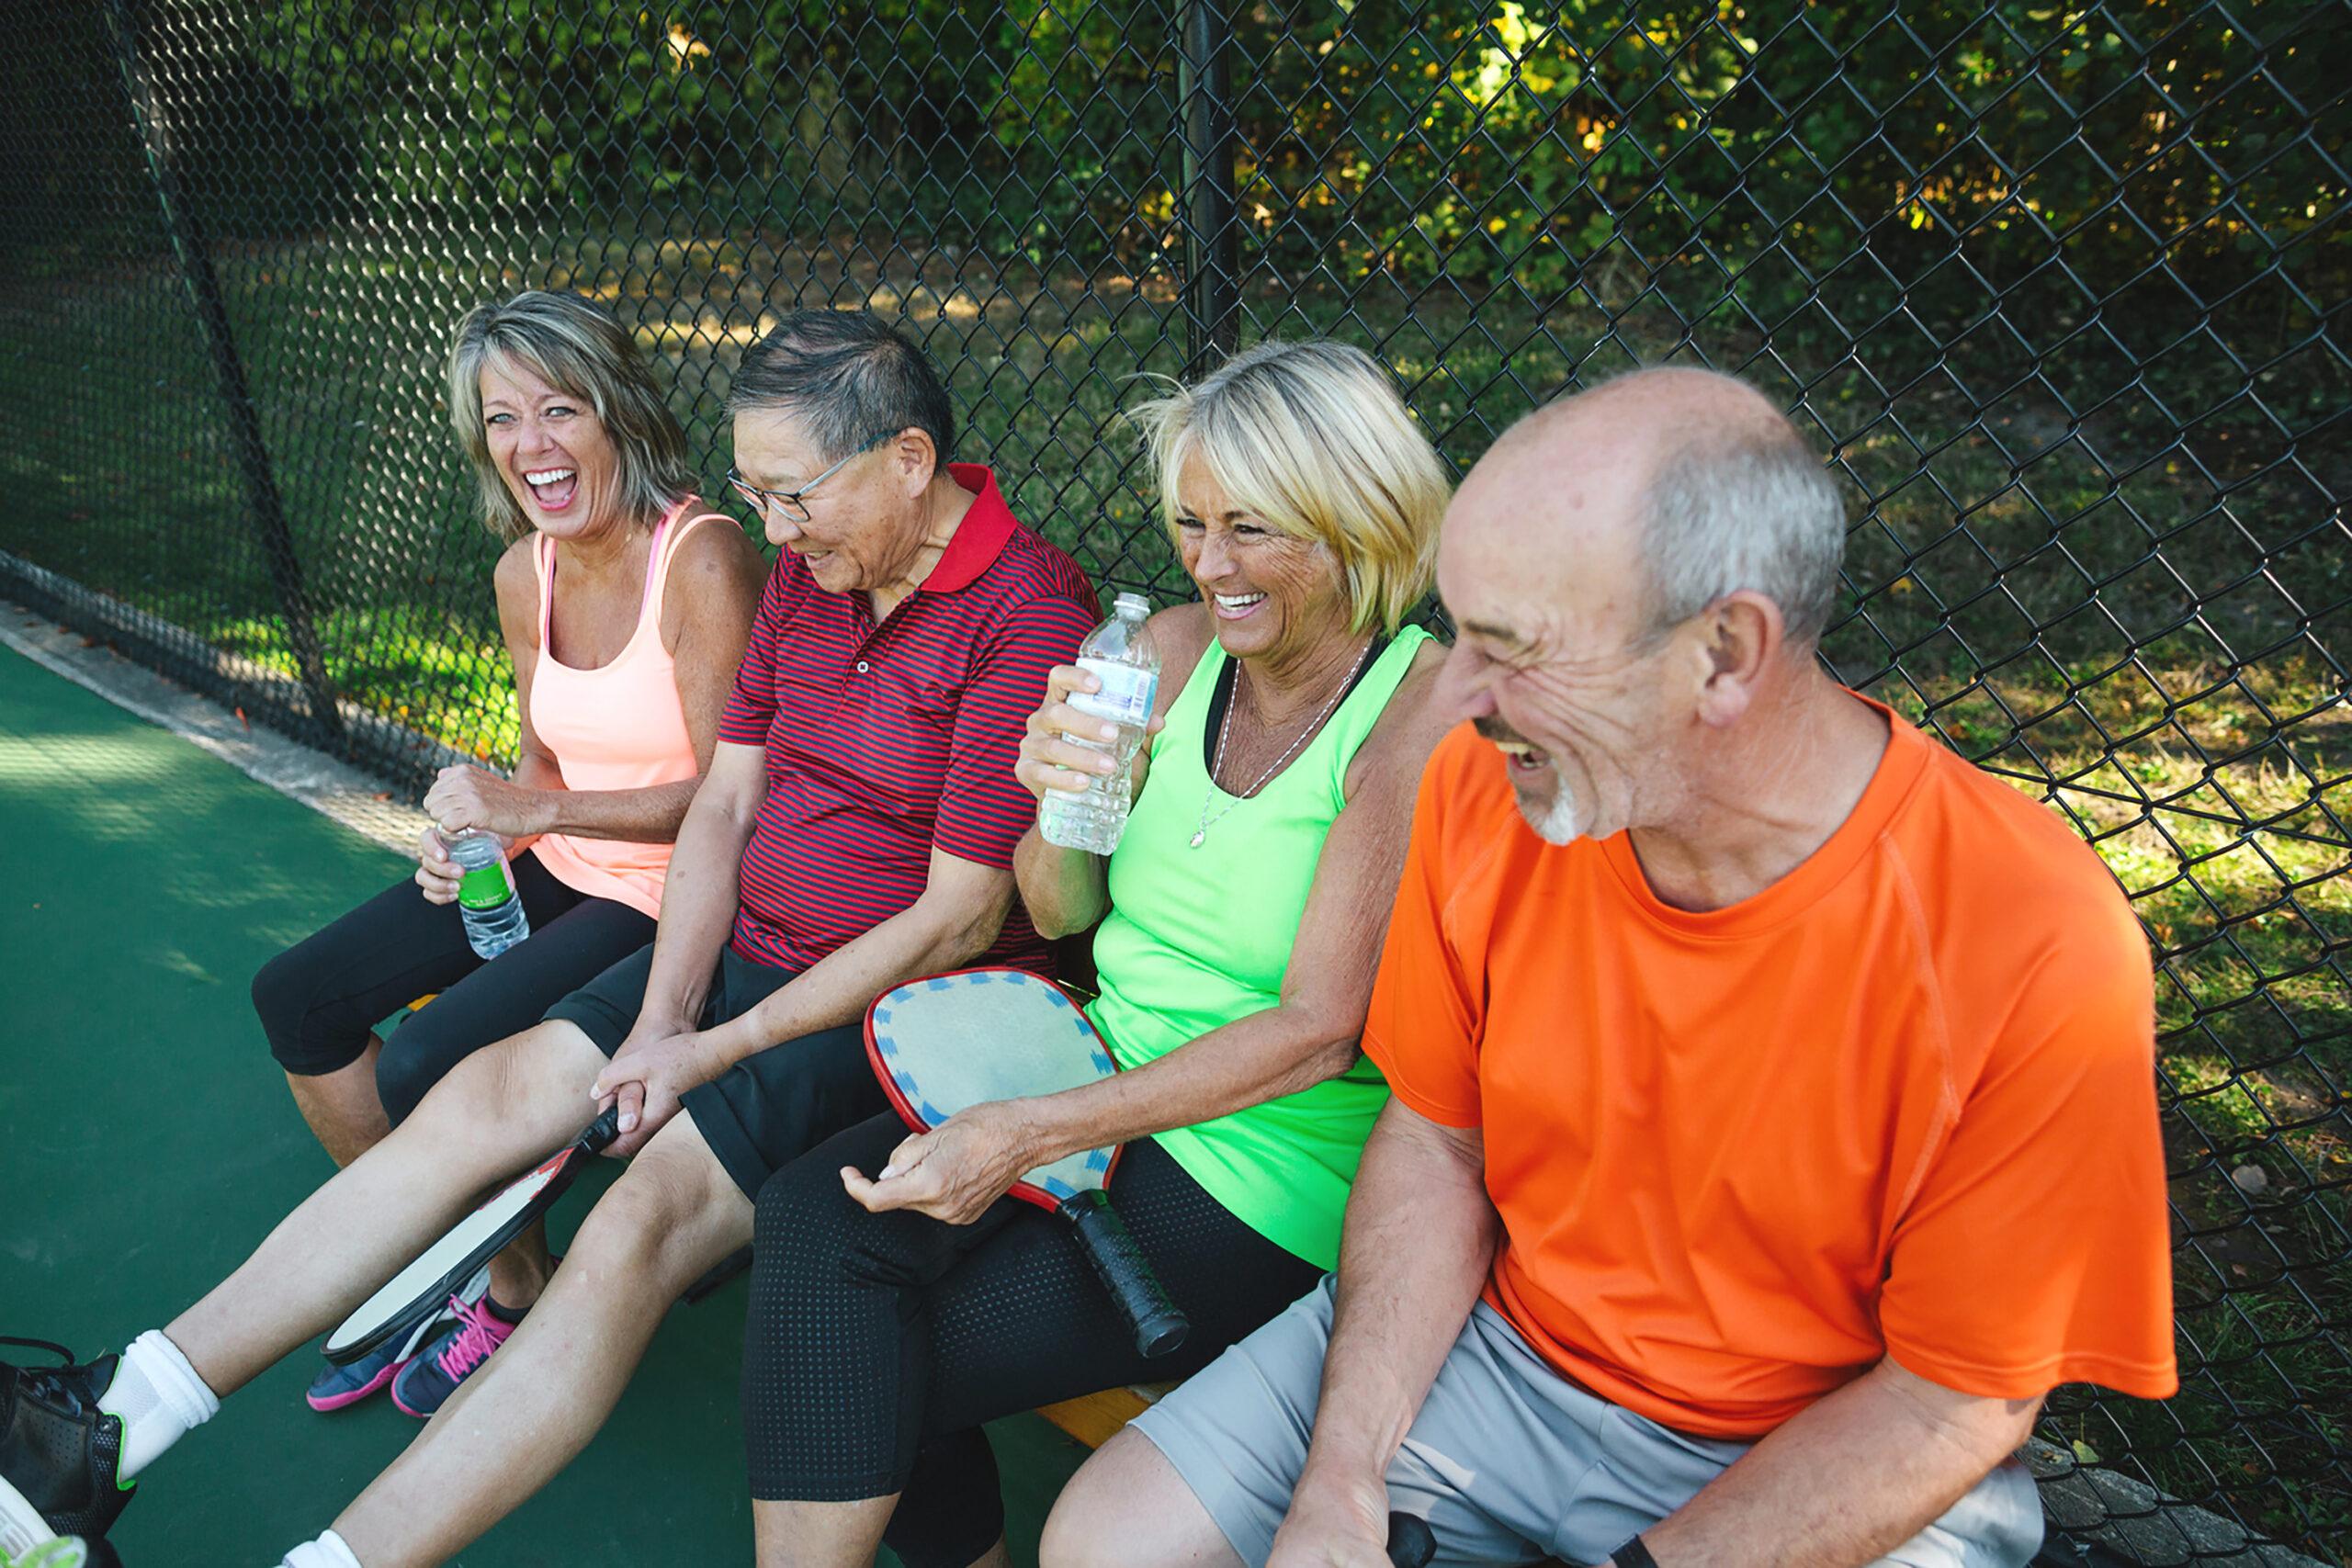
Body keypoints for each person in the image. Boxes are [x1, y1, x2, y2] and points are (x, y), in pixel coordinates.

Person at [0, 310, 1102, 1568]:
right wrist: (655, 1021)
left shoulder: (1030, 613)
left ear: (908, 459)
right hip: (747, 948)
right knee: (472, 1096)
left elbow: (952, 917)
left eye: (794, 495)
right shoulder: (812, 569)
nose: (775, 529)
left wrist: (709, 1046)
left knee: (629, 1234)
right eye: (755, 492)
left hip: (891, 1008)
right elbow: (729, 804)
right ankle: (107, 1422)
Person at [1042, 367, 2180, 1568]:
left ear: (1727, 650)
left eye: (1511, 648)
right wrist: (1341, 1479)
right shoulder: (1487, 786)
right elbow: (1436, 1143)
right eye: (1460, 631)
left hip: (1816, 1435)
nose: (1461, 696)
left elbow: (1957, 1398)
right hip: (1500, 1347)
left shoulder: (2031, 934)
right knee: (1106, 1538)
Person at [735, 339, 1458, 1568]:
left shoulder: (1416, 712)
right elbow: (1062, 908)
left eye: (1252, 528)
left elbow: (1320, 1028)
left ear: (1356, 522)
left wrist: (1029, 1128)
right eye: (1189, 521)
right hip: (1094, 1057)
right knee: (812, 1218)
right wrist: (1058, 805)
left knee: (868, 1353)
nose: (1208, 562)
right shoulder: (1170, 651)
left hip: (1266, 1158)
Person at [246, 288, 767, 1415]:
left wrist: (539, 818)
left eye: (559, 409)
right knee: (297, 998)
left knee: (422, 1065)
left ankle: (500, 1284)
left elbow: (735, 800)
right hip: (556, 859)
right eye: (499, 421)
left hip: (670, 897)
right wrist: (474, 839)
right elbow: (541, 767)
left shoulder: (702, 559)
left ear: (615, 413)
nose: (532, 447)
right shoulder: (522, 571)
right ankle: (480, 1261)